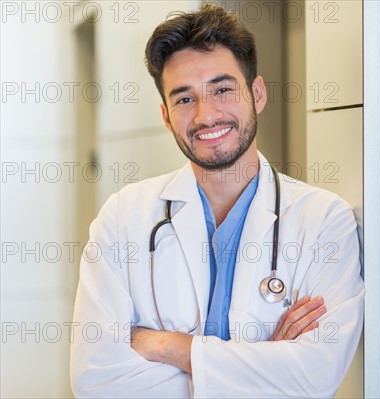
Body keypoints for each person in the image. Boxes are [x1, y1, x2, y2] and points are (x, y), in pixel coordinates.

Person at [70, 3, 364, 398]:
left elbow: (315, 376)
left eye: (223, 89)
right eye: (185, 99)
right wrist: (265, 363)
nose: (206, 115)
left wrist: (170, 347)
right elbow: (96, 380)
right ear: (166, 115)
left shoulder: (325, 221)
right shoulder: (123, 217)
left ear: (256, 93)